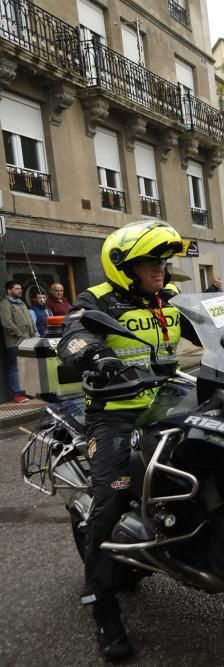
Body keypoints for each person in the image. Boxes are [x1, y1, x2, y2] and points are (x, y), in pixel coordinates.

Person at [56, 220, 196, 662]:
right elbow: (73, 337)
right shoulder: (96, 300)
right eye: (150, 262)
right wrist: (94, 356)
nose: (160, 268)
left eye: (162, 261)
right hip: (114, 415)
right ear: (124, 267)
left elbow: (213, 328)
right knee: (112, 499)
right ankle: (104, 606)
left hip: (171, 403)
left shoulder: (172, 300)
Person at [0, 280, 36, 403]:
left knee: (27, 367)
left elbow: (30, 320)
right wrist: (21, 335)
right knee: (15, 368)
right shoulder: (5, 303)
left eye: (20, 288)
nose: (20, 290)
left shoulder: (22, 303)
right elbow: (6, 322)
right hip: (15, 342)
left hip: (28, 341)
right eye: (16, 288)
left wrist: (35, 333)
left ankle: (28, 392)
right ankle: (16, 395)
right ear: (9, 290)